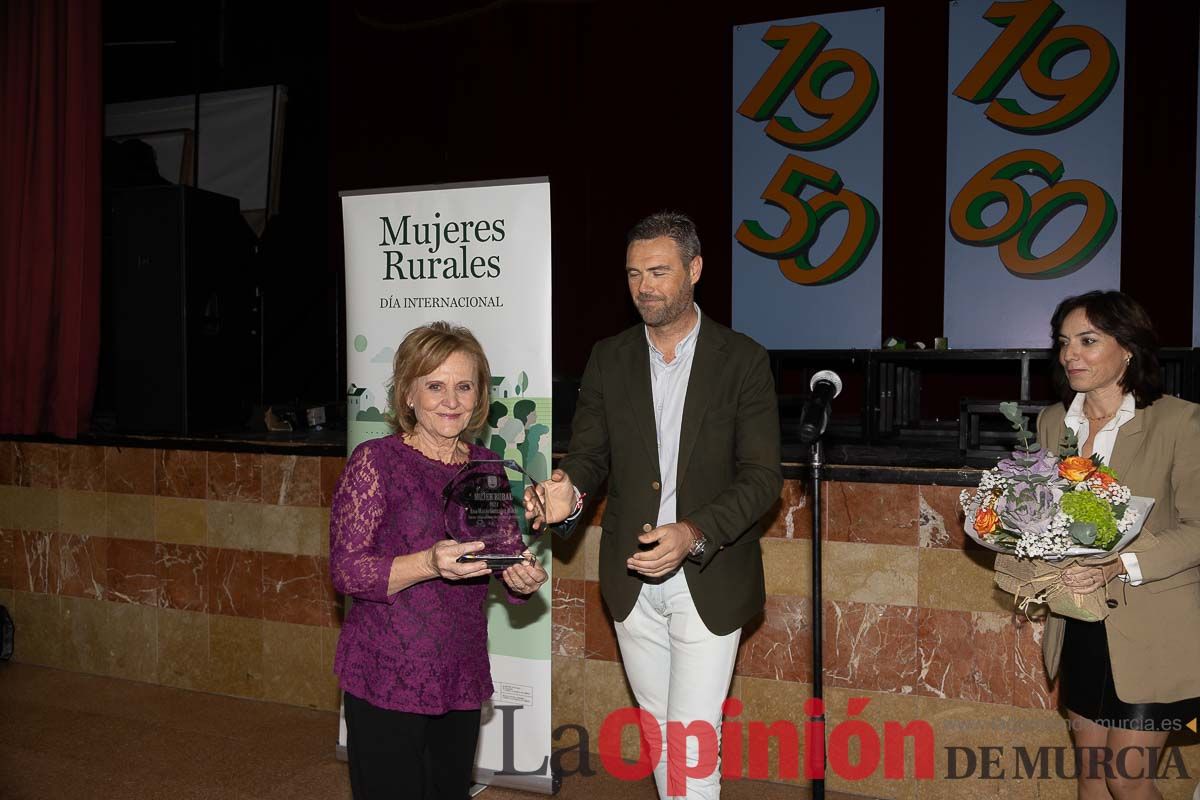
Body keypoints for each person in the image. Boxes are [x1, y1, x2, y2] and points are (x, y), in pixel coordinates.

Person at [526, 211, 783, 799]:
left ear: (694, 270)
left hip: (707, 572)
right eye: (634, 273)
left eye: (659, 271)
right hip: (632, 575)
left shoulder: (742, 359)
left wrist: (692, 532)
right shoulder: (608, 357)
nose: (644, 286)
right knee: (661, 735)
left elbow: (762, 478)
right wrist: (566, 489)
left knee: (692, 739)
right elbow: (589, 457)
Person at [329, 321, 548, 800]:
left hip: (459, 669)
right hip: (389, 671)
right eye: (435, 385)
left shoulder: (487, 465)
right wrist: (428, 563)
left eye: (463, 386)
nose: (451, 400)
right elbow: (346, 571)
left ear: (479, 396)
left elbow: (502, 551)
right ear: (409, 394)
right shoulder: (376, 461)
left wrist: (522, 576)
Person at [1038, 291, 1200, 800]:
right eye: (1064, 343)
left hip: (1154, 626)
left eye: (1088, 341)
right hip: (1080, 622)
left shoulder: (1179, 421)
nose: (1071, 355)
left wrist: (1117, 565)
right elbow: (1042, 519)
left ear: (1128, 349)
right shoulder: (1051, 422)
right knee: (1090, 776)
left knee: (1126, 778)